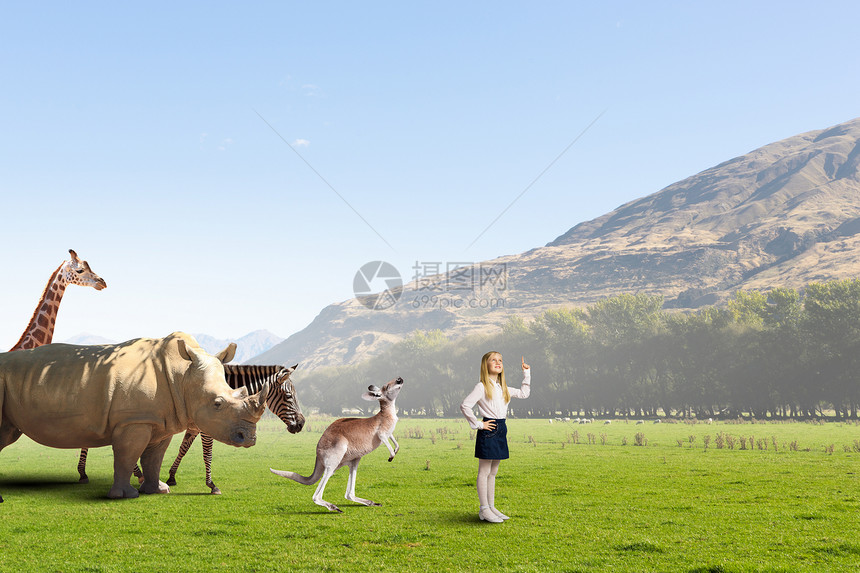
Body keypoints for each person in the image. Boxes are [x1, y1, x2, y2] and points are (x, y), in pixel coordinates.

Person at [460, 351, 531, 523]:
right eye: (493, 360)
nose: (498, 362)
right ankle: (484, 509)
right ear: (486, 365)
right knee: (484, 471)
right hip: (489, 428)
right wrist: (479, 424)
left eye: (500, 360)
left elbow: (524, 393)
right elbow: (465, 405)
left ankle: (491, 507)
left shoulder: (502, 387)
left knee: (493, 472)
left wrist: (526, 373)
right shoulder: (481, 386)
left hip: (501, 428)